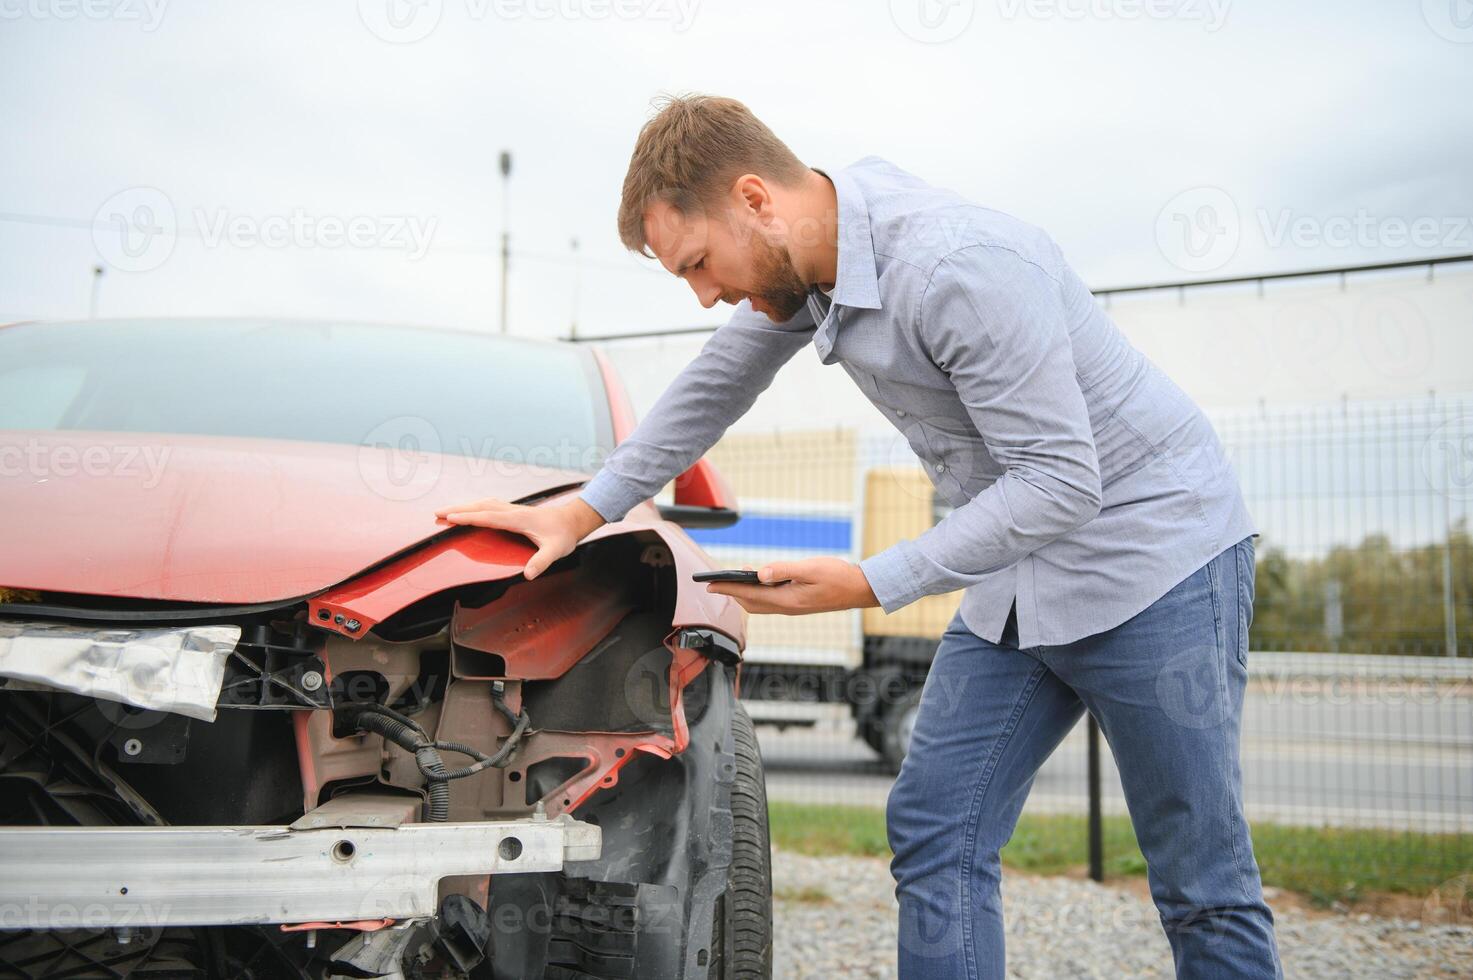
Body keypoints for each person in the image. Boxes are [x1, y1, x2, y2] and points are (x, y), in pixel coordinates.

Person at [435, 94, 1281, 980]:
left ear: (755, 200)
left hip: (1155, 561)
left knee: (1199, 879)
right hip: (1020, 574)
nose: (706, 293)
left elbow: (1062, 481)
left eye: (697, 263)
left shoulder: (960, 267)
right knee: (934, 829)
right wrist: (580, 511)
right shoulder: (818, 259)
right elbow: (712, 384)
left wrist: (870, 581)